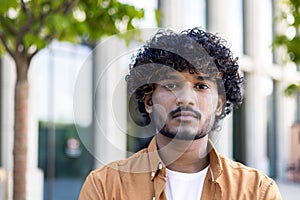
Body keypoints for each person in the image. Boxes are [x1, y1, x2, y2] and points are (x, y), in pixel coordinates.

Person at [79, 27, 282, 200]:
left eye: (201, 86)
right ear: (149, 101)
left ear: (219, 104)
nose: (186, 98)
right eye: (171, 84)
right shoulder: (105, 187)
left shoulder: (257, 191)